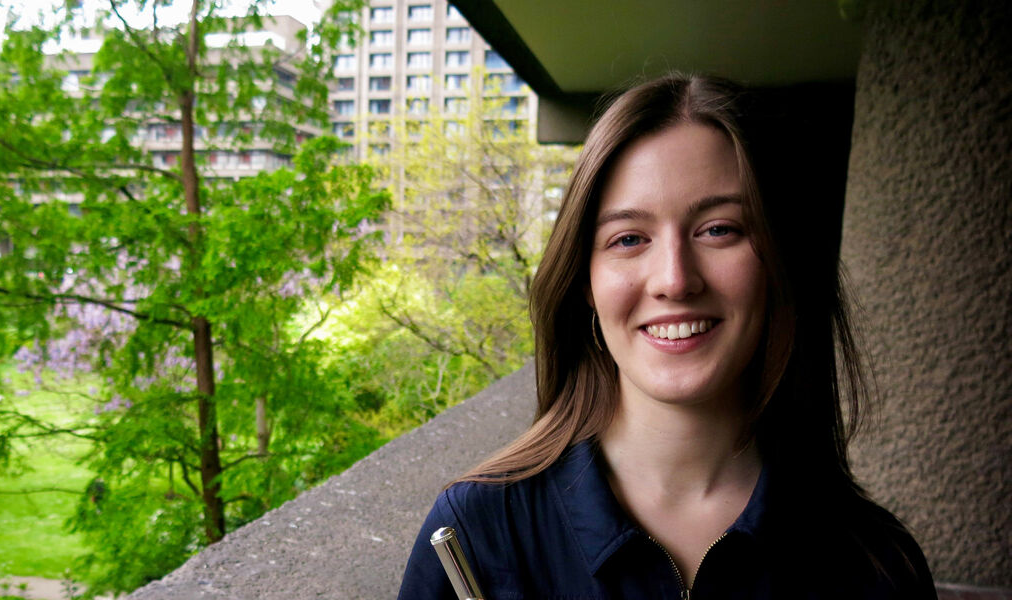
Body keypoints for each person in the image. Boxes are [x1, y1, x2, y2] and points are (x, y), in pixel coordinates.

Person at [397, 74, 936, 599]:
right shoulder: (477, 534)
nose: (675, 280)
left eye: (719, 229)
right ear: (585, 282)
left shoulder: (879, 567)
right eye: (629, 239)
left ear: (779, 262)